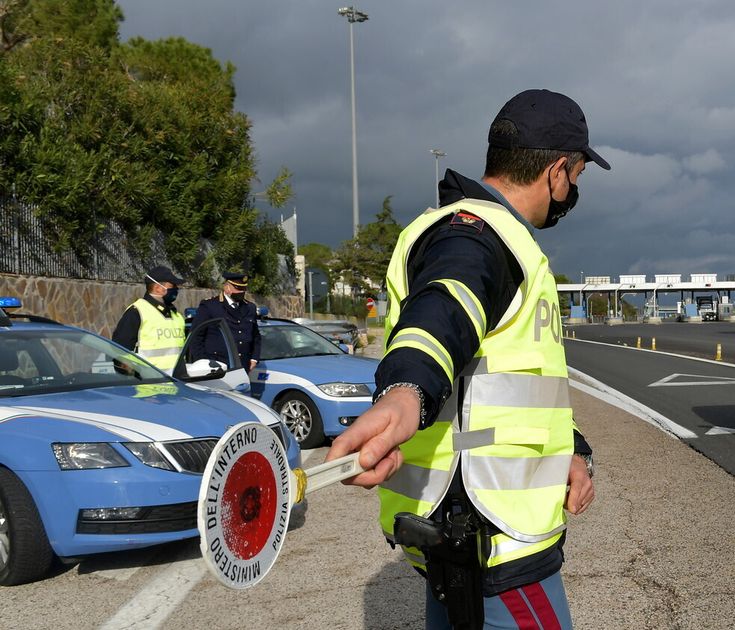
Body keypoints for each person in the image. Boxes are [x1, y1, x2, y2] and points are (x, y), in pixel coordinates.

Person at [327, 89, 608, 629]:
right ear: (555, 171)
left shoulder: (479, 234)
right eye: (575, 175)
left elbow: (513, 381)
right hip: (495, 536)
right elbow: (445, 306)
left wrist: (571, 450)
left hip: (455, 527)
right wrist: (407, 389)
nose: (573, 190)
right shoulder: (477, 235)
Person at [112, 266, 186, 371]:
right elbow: (120, 351)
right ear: (157, 288)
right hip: (148, 383)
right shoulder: (137, 312)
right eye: (172, 286)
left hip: (178, 381)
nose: (176, 289)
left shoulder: (176, 315)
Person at [191, 271, 261, 372]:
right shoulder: (210, 306)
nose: (242, 292)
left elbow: (255, 336)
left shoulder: (250, 307)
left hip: (242, 366)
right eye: (238, 288)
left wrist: (254, 358)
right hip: (217, 366)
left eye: (244, 288)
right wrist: (203, 363)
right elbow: (196, 337)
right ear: (227, 287)